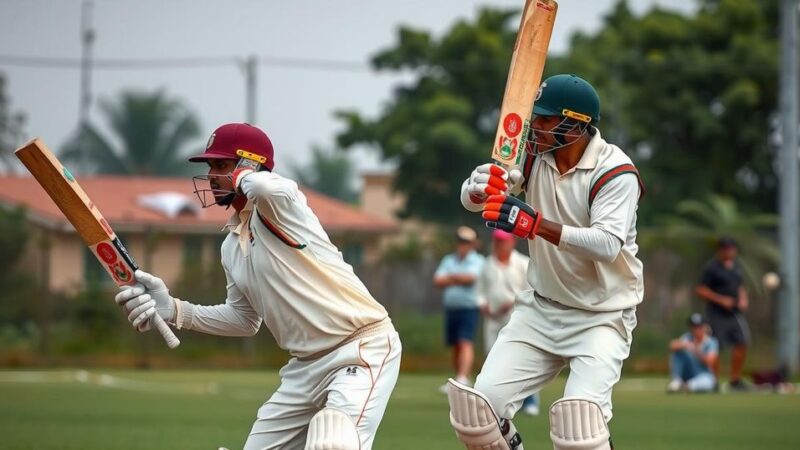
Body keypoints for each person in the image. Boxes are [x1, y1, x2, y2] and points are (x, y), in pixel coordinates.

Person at [114, 123, 402, 450]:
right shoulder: (231, 247)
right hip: (304, 367)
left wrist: (242, 176)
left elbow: (276, 190)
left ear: (249, 165)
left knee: (335, 442)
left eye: (221, 165)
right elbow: (244, 320)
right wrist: (177, 311)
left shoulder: (280, 210)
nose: (211, 175)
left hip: (360, 348)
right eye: (210, 167)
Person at [448, 74, 644, 450]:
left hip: (601, 316)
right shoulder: (533, 155)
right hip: (539, 311)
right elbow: (478, 200)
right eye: (534, 117)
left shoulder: (616, 172)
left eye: (546, 120)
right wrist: (478, 187)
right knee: (478, 416)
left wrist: (535, 224)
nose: (534, 127)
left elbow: (606, 244)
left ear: (578, 123)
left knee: (579, 430)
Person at [477, 229, 540, 416]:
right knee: (493, 358)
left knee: (522, 358)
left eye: (503, 241)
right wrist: (484, 305)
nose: (499, 245)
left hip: (517, 318)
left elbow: (531, 291)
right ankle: (496, 403)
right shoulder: (487, 265)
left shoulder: (522, 263)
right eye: (497, 241)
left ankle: (530, 401)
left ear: (512, 242)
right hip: (493, 320)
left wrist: (512, 302)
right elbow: (480, 291)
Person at [695, 237, 751, 391]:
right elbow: (700, 290)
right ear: (720, 251)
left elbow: (740, 286)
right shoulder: (712, 268)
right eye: (725, 249)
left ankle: (735, 380)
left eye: (731, 248)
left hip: (734, 313)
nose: (729, 251)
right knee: (716, 346)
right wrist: (720, 300)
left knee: (742, 342)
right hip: (716, 313)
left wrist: (743, 299)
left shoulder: (736, 268)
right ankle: (713, 381)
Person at [434, 226, 485, 392]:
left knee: (465, 342)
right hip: (452, 308)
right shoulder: (449, 260)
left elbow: (470, 278)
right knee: (456, 344)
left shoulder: (478, 260)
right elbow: (438, 280)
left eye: (466, 242)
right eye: (460, 241)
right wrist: (457, 278)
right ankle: (459, 379)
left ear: (473, 244)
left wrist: (451, 277)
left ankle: (463, 377)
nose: (462, 245)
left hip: (469, 307)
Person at [667, 313, 719, 393]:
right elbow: (672, 345)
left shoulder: (711, 342)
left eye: (699, 327)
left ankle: (687, 386)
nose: (696, 330)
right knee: (678, 352)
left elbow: (710, 362)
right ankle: (677, 381)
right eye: (694, 327)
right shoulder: (687, 337)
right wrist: (685, 345)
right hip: (687, 373)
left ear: (704, 327)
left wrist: (695, 350)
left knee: (709, 382)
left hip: (702, 374)